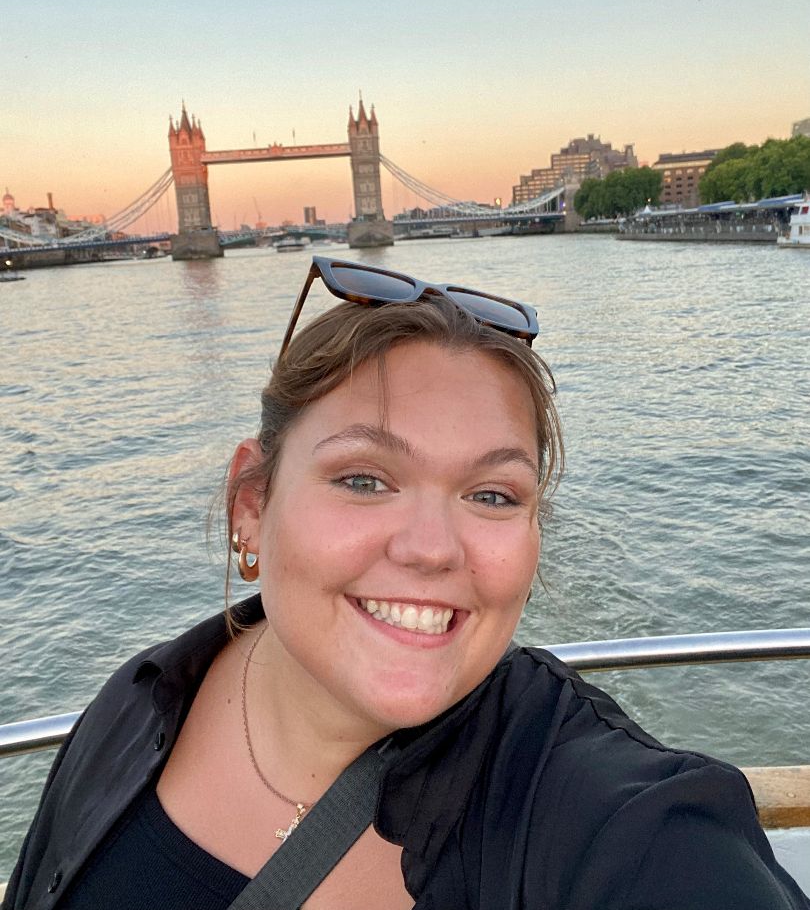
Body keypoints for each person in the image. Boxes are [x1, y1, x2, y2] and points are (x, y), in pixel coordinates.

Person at [4, 256, 808, 910]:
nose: (432, 550)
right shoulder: (136, 703)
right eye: (363, 479)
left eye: (492, 495)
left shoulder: (611, 823)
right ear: (251, 504)